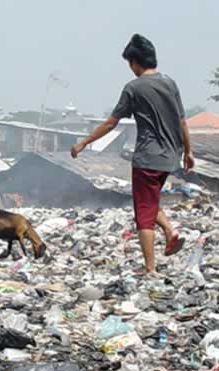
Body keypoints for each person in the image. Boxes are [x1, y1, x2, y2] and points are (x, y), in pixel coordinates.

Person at [71, 34, 194, 274]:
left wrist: (84, 142)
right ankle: (170, 231)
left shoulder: (133, 88)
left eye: (130, 63)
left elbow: (110, 123)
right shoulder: (170, 83)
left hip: (147, 158)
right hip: (170, 157)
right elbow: (182, 122)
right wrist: (189, 152)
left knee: (143, 217)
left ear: (135, 62)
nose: (130, 68)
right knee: (147, 201)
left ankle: (150, 268)